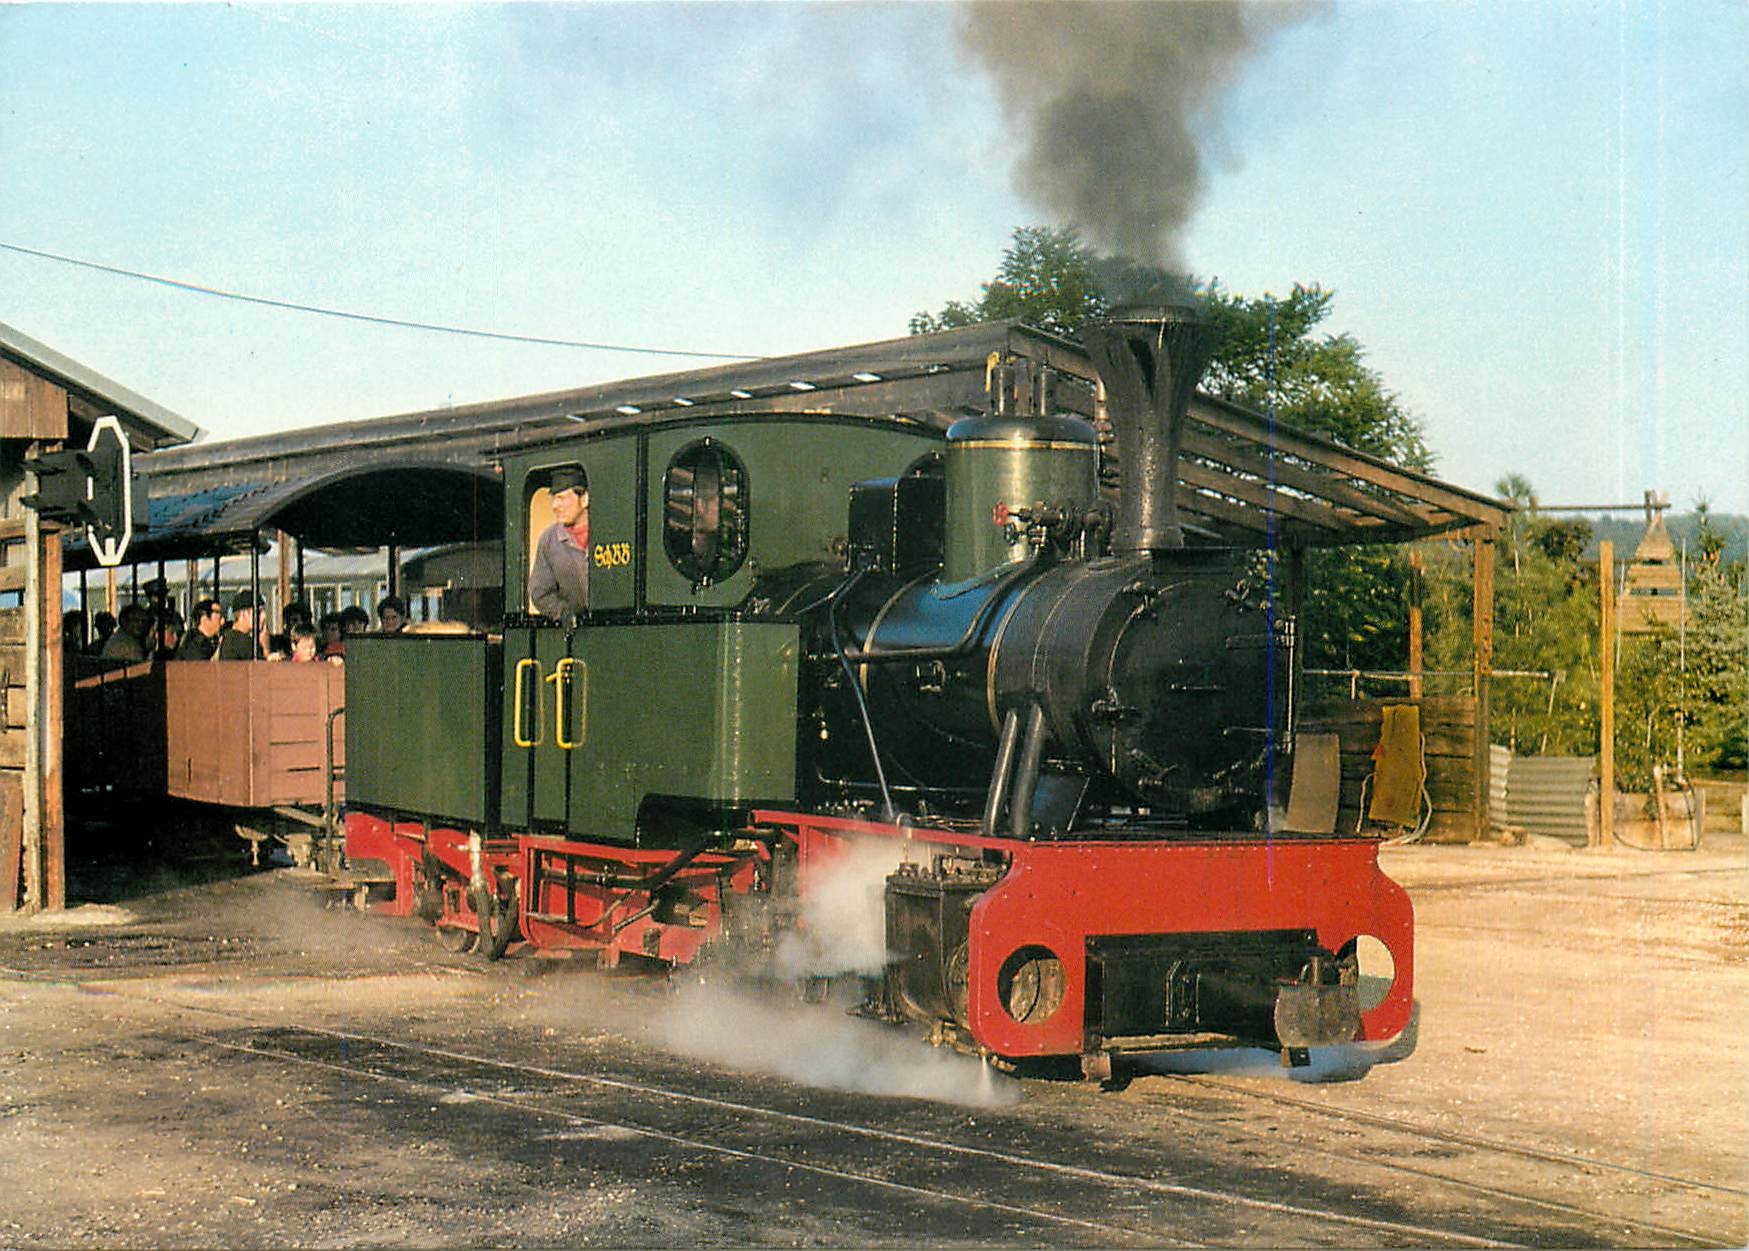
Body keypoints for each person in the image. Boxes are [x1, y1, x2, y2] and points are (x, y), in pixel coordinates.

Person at [528, 466, 591, 620]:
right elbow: (540, 593)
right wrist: (563, 612)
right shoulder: (549, 541)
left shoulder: (608, 531)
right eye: (553, 498)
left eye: (561, 498)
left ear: (584, 499)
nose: (554, 506)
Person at [217, 590, 261, 660]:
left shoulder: (228, 637)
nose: (263, 616)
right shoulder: (244, 643)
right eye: (258, 612)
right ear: (244, 614)